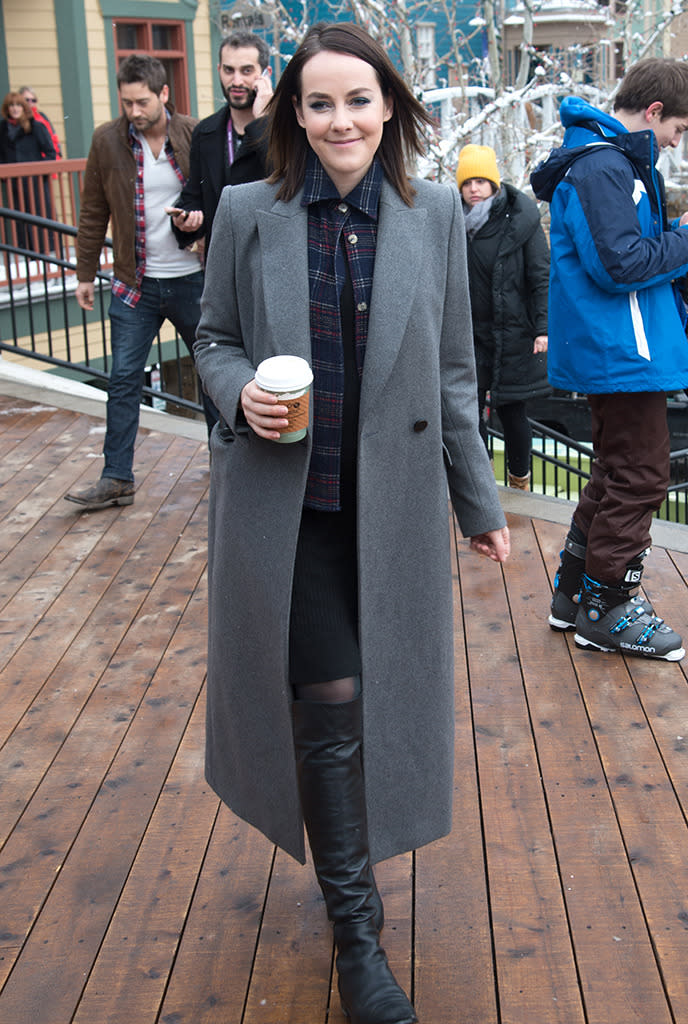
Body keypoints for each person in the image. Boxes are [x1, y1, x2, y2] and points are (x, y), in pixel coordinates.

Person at [194, 21, 510, 1024]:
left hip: (395, 508)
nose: (340, 119)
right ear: (294, 111)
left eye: (359, 100)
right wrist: (238, 388)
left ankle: (351, 891)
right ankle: (357, 932)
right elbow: (212, 336)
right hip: (289, 514)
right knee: (326, 706)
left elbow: (455, 374)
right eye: (319, 101)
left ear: (389, 108)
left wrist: (478, 502)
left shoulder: (428, 224)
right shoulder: (249, 212)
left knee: (383, 704)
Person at [531, 57, 688, 661]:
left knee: (614, 471)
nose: (677, 141)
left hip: (614, 350)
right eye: (678, 128)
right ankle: (609, 609)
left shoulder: (602, 161)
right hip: (621, 354)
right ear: (653, 113)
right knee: (644, 475)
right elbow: (621, 263)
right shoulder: (604, 166)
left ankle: (574, 595)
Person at [65, 55, 213, 512]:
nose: (133, 110)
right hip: (136, 285)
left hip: (193, 280)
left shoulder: (194, 134)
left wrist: (201, 225)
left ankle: (230, 465)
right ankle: (116, 478)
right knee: (124, 379)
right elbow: (93, 213)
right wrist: (85, 273)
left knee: (214, 376)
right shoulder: (107, 142)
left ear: (163, 94)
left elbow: (218, 197)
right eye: (126, 102)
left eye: (142, 101)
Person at [456, 143, 550, 490]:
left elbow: (541, 275)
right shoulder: (454, 221)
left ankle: (519, 482)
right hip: (471, 335)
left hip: (514, 334)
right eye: (467, 182)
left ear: (494, 184)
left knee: (513, 412)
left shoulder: (520, 218)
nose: (474, 189)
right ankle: (482, 482)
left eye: (481, 181)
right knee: (469, 412)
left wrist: (543, 327)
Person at [171, 30, 272, 252]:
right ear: (219, 70)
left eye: (247, 71)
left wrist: (263, 120)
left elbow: (285, 179)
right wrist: (185, 219)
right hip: (223, 264)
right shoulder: (205, 132)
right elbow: (194, 196)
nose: (236, 81)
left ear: (265, 74)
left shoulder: (285, 128)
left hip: (269, 260)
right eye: (229, 70)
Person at [0, 91, 56, 252]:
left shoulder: (35, 126)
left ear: (24, 108)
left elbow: (51, 152)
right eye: (11, 106)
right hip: (14, 185)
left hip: (36, 183)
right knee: (20, 222)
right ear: (7, 109)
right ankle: (27, 257)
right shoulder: (2, 129)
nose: (15, 109)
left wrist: (39, 173)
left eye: (18, 105)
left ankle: (46, 255)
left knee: (40, 220)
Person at [18, 86, 63, 159]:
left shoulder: (42, 116)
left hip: (49, 160)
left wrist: (58, 154)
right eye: (27, 100)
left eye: (33, 100)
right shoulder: (17, 120)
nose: (30, 103)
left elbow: (53, 136)